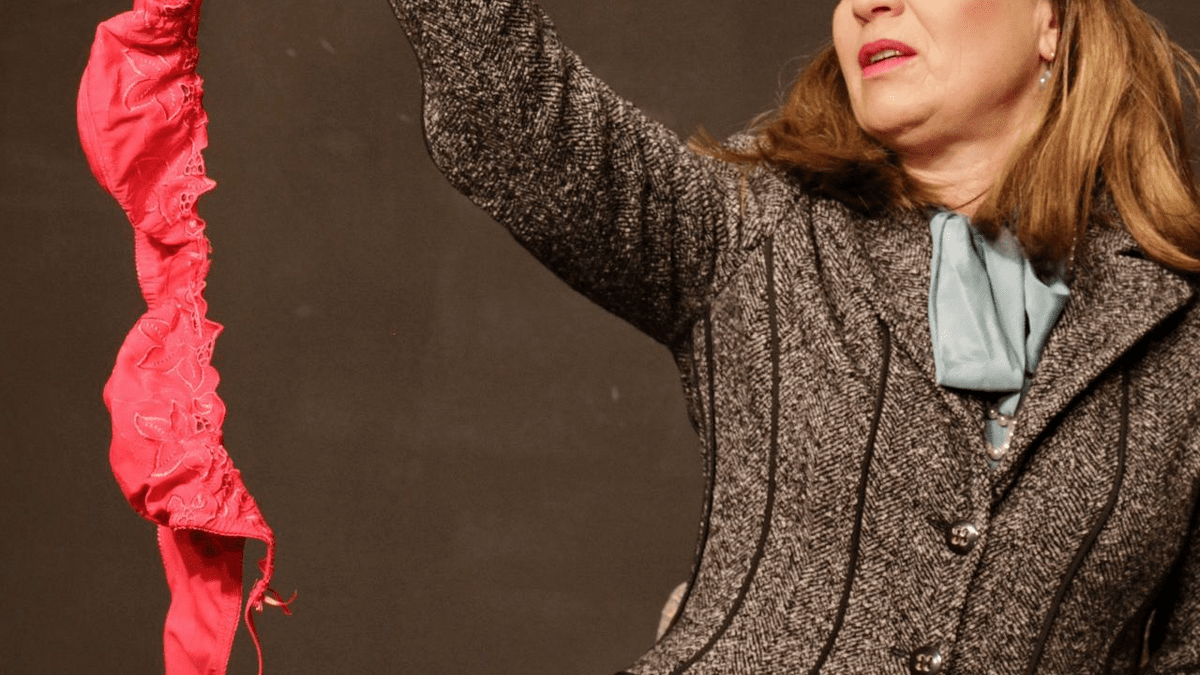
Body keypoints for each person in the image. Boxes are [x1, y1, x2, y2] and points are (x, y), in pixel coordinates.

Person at [387, 0, 1200, 672]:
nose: (866, 5)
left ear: (1049, 20)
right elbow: (509, 113)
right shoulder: (754, 223)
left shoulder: (1179, 332)